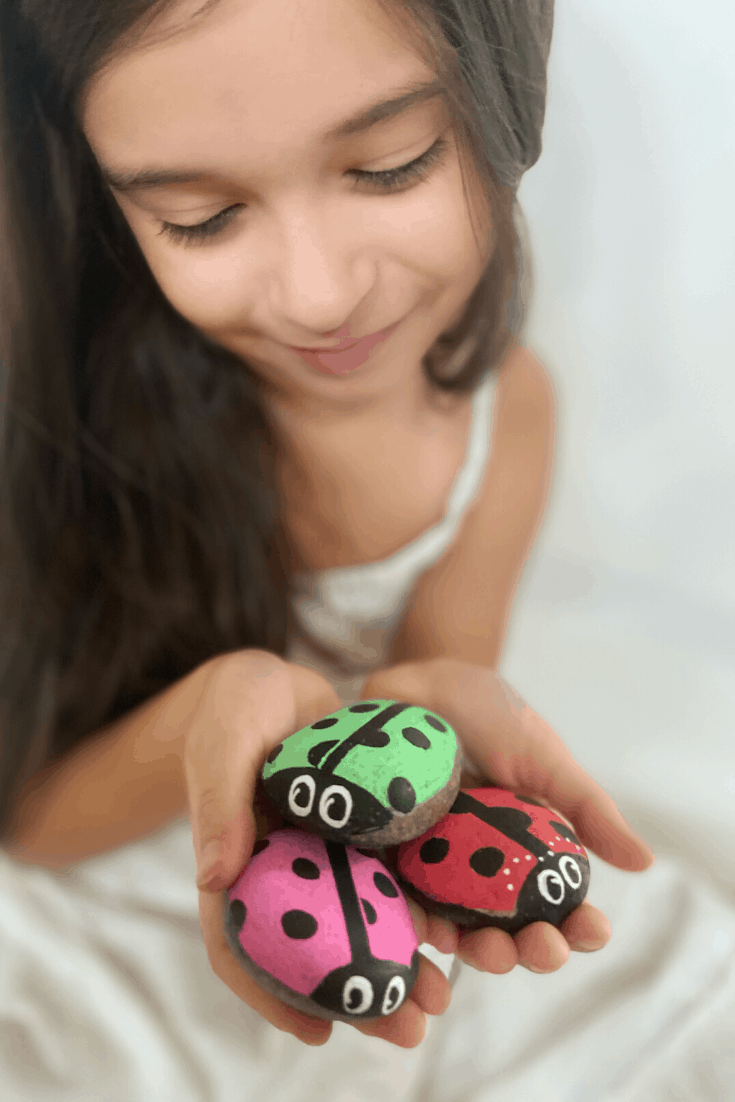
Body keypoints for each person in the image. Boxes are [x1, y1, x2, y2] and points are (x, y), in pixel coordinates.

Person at [0, 0, 653, 1058]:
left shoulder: (504, 418)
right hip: (88, 906)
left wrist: (440, 706)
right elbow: (30, 818)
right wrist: (209, 709)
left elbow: (428, 716)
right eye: (201, 219)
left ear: (506, 102)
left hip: (348, 909)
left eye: (392, 165)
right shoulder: (60, 433)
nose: (318, 296)